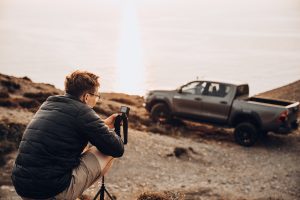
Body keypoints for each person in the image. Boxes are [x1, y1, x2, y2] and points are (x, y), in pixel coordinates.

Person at [11, 70, 124, 200]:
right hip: (49, 192)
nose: (97, 100)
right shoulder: (83, 112)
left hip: (23, 187)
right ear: (86, 97)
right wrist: (113, 132)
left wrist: (103, 125)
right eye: (97, 96)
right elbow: (116, 149)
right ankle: (71, 193)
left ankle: (73, 190)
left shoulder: (49, 104)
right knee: (107, 151)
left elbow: (69, 129)